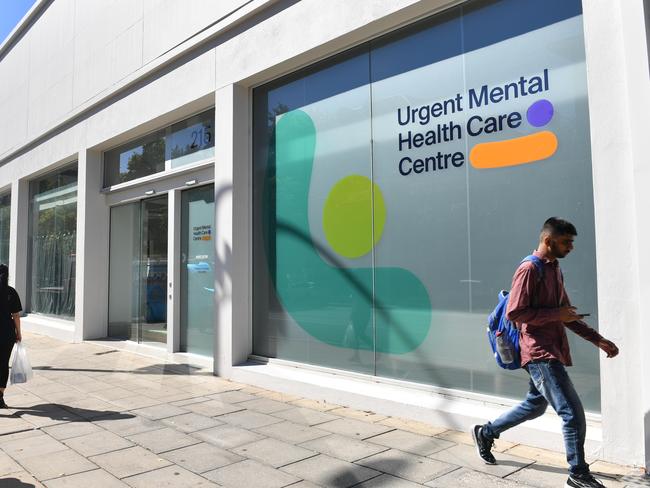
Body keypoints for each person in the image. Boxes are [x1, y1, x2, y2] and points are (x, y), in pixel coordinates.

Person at [471, 217, 619, 488]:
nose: (571, 247)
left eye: (572, 242)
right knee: (571, 413)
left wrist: (599, 340)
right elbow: (516, 312)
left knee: (534, 405)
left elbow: (566, 315)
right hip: (539, 353)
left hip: (551, 348)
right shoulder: (529, 268)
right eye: (567, 242)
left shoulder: (554, 269)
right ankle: (578, 473)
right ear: (548, 241)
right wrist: (556, 314)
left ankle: (486, 432)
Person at [0, 264, 22, 408]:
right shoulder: (10, 292)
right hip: (7, 333)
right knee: (3, 364)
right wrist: (18, 333)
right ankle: (0, 397)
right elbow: (15, 316)